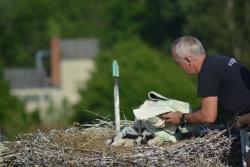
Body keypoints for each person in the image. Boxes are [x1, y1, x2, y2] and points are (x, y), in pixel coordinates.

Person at [161, 35, 250, 166]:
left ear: (188, 60)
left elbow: (208, 116)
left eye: (178, 63)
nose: (180, 68)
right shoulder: (217, 61)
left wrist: (182, 118)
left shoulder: (208, 72)